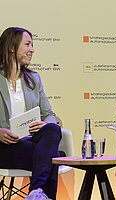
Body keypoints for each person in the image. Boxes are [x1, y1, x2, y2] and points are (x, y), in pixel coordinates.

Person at [0, 27, 61, 200]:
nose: (32, 49)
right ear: (11, 47)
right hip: (4, 146)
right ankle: (37, 193)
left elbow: (49, 113)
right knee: (54, 157)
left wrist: (45, 123)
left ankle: (35, 191)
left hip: (29, 140)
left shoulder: (34, 79)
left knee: (52, 129)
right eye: (27, 44)